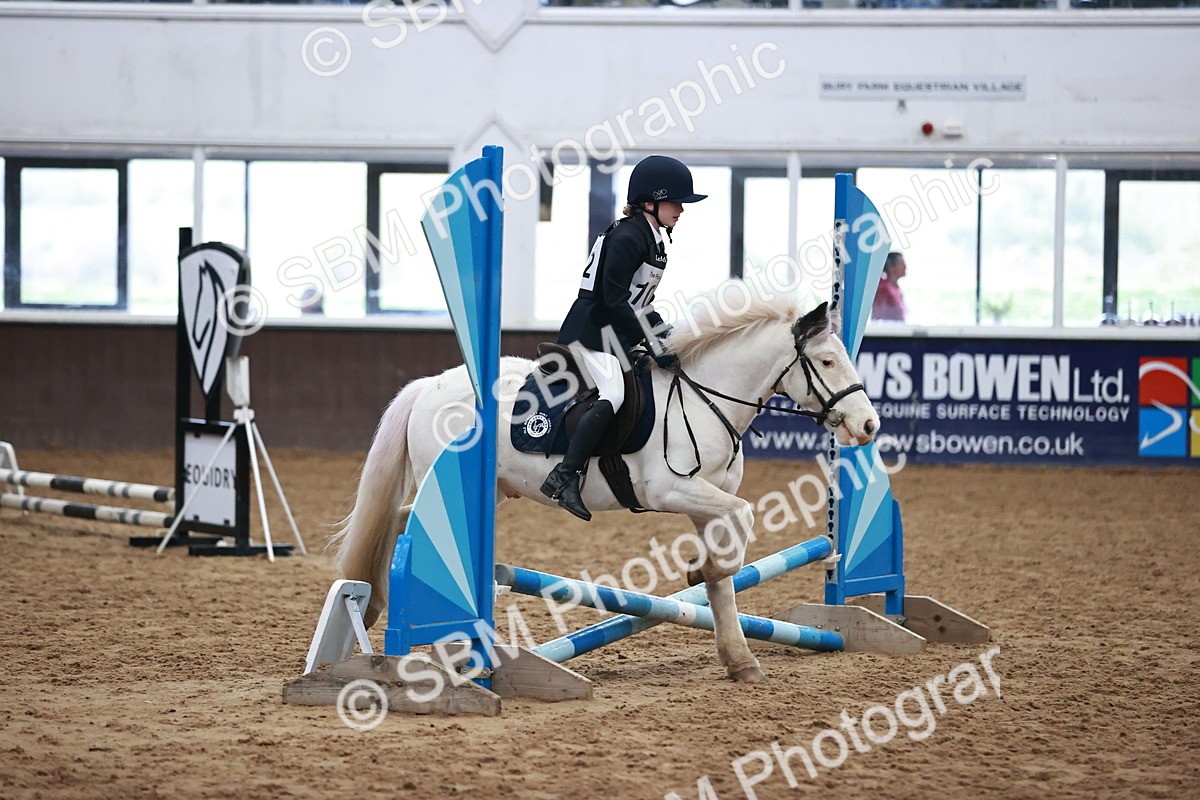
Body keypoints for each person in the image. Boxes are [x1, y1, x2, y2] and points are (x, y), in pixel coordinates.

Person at [540, 155, 707, 522]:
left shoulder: (652, 239)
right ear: (651, 201)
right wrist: (648, 341)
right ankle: (564, 476)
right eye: (676, 201)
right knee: (613, 393)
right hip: (592, 334)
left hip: (613, 330)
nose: (681, 209)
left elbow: (640, 302)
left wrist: (666, 335)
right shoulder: (629, 236)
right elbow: (613, 300)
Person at [872, 251, 908, 322]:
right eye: (901, 264)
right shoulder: (883, 288)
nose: (905, 267)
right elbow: (880, 315)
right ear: (891, 267)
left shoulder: (895, 288)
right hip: (887, 330)